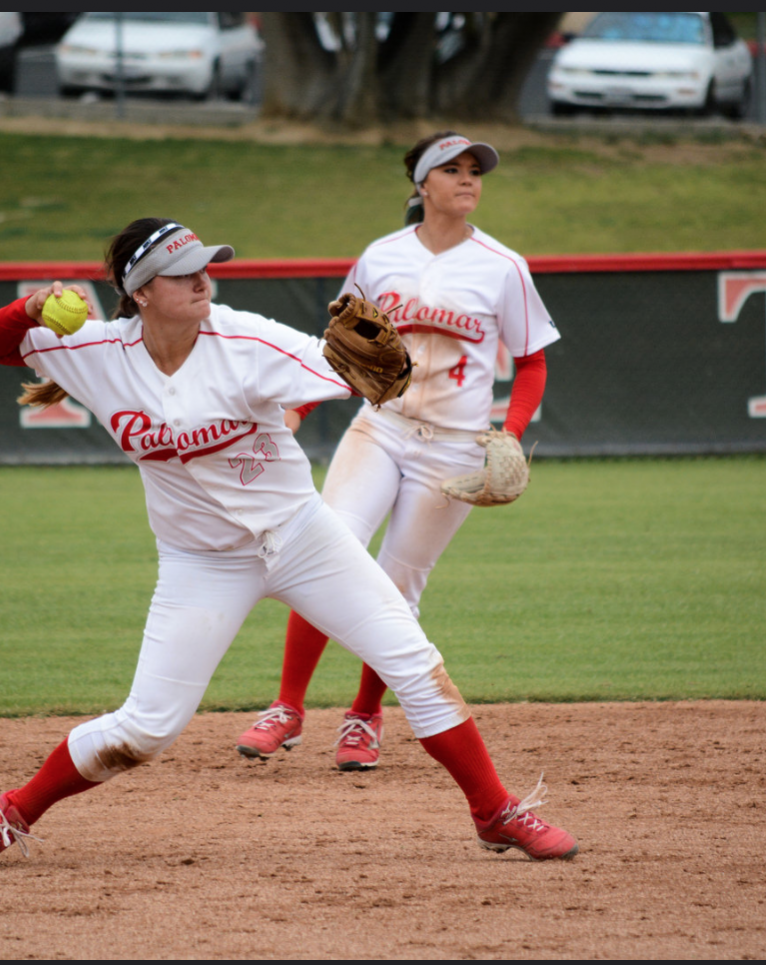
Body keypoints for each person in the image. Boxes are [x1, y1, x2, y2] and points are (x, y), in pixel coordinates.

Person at [0, 216, 577, 869]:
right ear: (141, 292)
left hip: (302, 536)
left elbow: (351, 372)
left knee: (417, 665)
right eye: (181, 272)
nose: (202, 280)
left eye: (205, 265)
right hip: (201, 563)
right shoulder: (99, 351)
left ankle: (495, 811)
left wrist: (387, 370)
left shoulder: (248, 339)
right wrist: (29, 306)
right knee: (147, 727)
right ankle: (10, 812)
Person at [236, 131, 560, 772]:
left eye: (476, 170)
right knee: (324, 550)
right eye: (453, 169)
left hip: (456, 449)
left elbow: (532, 364)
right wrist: (298, 408)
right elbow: (342, 350)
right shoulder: (381, 257)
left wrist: (512, 433)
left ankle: (364, 716)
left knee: (397, 585)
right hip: (379, 427)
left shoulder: (502, 266)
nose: (468, 179)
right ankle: (288, 708)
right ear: (421, 183)